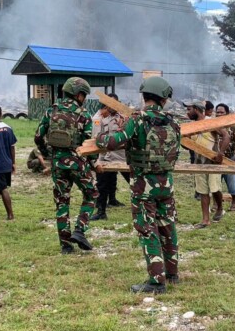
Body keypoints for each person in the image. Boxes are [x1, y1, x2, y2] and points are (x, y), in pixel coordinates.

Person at [95, 76, 181, 294]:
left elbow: (112, 143)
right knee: (167, 226)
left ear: (144, 97)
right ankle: (172, 273)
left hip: (144, 185)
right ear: (164, 99)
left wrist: (101, 137)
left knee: (147, 229)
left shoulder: (137, 120)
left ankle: (156, 281)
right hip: (166, 183)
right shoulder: (173, 122)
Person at [34, 77, 98, 254]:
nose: (84, 98)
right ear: (78, 95)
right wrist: (94, 163)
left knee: (62, 201)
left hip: (57, 164)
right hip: (77, 163)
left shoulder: (51, 111)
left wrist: (47, 154)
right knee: (91, 194)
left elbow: (38, 136)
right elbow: (88, 144)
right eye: (84, 95)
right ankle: (79, 230)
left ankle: (66, 246)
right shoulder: (83, 115)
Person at [186, 100, 229, 228]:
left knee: (214, 188)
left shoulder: (211, 123)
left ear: (197, 110)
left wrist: (220, 153)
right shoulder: (191, 126)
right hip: (199, 163)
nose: (187, 112)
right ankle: (205, 220)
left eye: (189, 109)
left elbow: (226, 136)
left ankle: (220, 207)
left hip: (212, 162)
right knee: (203, 191)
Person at [92, 95, 130, 221]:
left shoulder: (124, 117)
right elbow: (96, 137)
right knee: (102, 185)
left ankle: (145, 208)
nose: (114, 106)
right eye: (111, 104)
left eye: (116, 103)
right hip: (106, 158)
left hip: (122, 158)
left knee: (135, 182)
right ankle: (101, 211)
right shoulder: (99, 118)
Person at [215, 103, 235, 211]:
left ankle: (234, 201)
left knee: (232, 180)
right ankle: (216, 203)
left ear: (227, 113)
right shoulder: (212, 125)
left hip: (230, 157)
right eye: (217, 112)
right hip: (215, 159)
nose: (219, 114)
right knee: (215, 181)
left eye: (222, 112)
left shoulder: (232, 126)